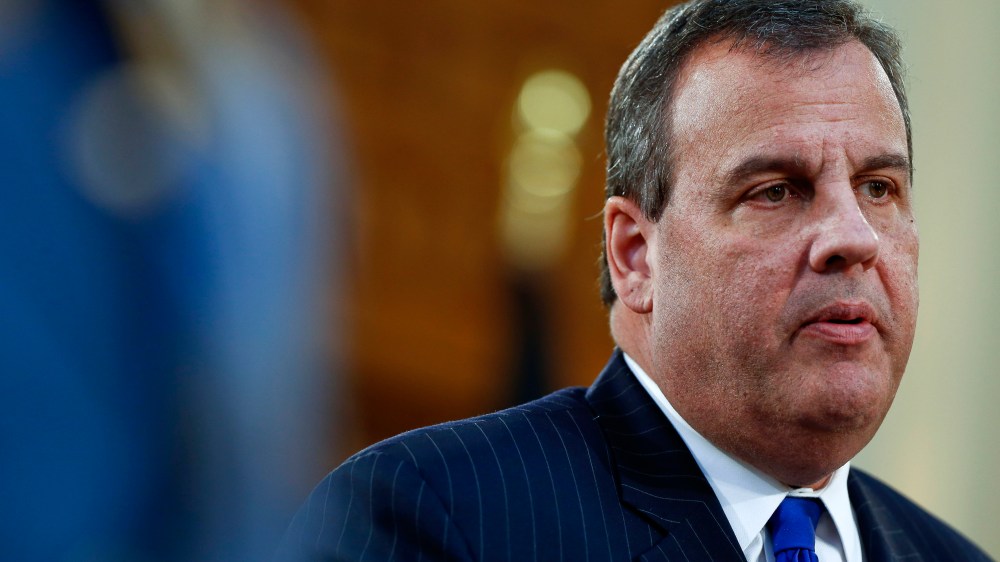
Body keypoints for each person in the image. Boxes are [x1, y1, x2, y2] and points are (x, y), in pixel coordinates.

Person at [279, 0, 993, 560]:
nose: (853, 237)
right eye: (776, 190)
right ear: (634, 255)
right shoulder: (435, 516)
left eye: (878, 188)